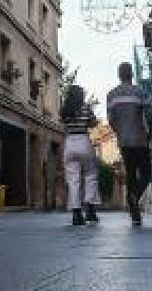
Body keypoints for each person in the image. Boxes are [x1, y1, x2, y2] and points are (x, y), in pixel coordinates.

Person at [107, 61, 150, 226]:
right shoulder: (140, 92)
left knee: (131, 174)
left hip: (124, 140)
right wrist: (150, 132)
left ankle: (135, 215)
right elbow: (150, 114)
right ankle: (135, 197)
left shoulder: (111, 95)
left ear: (119, 75)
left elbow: (111, 120)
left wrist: (119, 133)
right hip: (140, 139)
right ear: (131, 74)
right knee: (145, 173)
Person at [60, 84, 100, 226]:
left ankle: (76, 213)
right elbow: (93, 122)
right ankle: (90, 209)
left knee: (73, 180)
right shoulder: (85, 107)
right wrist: (89, 121)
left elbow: (63, 123)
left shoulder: (65, 110)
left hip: (70, 142)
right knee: (91, 176)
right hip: (83, 141)